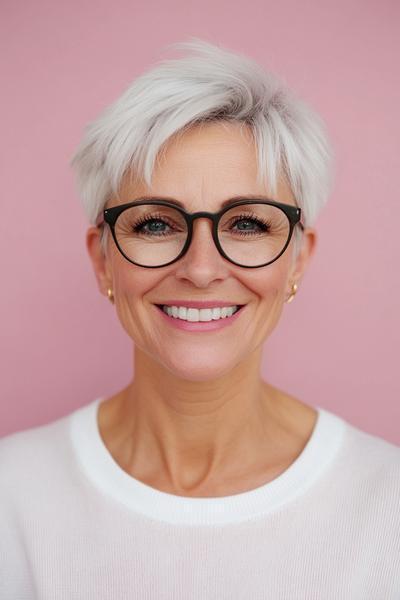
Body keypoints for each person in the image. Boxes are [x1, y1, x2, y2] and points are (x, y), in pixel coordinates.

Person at [1, 38, 399, 598]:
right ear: (103, 261)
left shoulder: (389, 505)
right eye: (157, 225)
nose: (203, 268)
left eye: (248, 224)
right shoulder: (10, 495)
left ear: (297, 260)